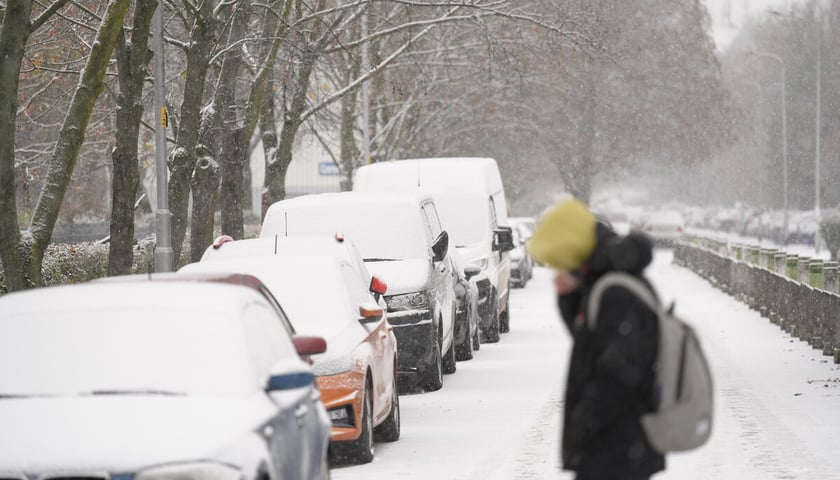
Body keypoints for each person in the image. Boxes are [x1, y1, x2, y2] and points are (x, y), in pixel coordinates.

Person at [526, 198, 665, 480]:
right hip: (615, 444)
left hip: (618, 444)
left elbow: (617, 371)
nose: (558, 268)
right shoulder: (604, 279)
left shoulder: (616, 289)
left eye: (560, 259)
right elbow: (589, 343)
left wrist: (584, 423)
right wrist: (569, 296)